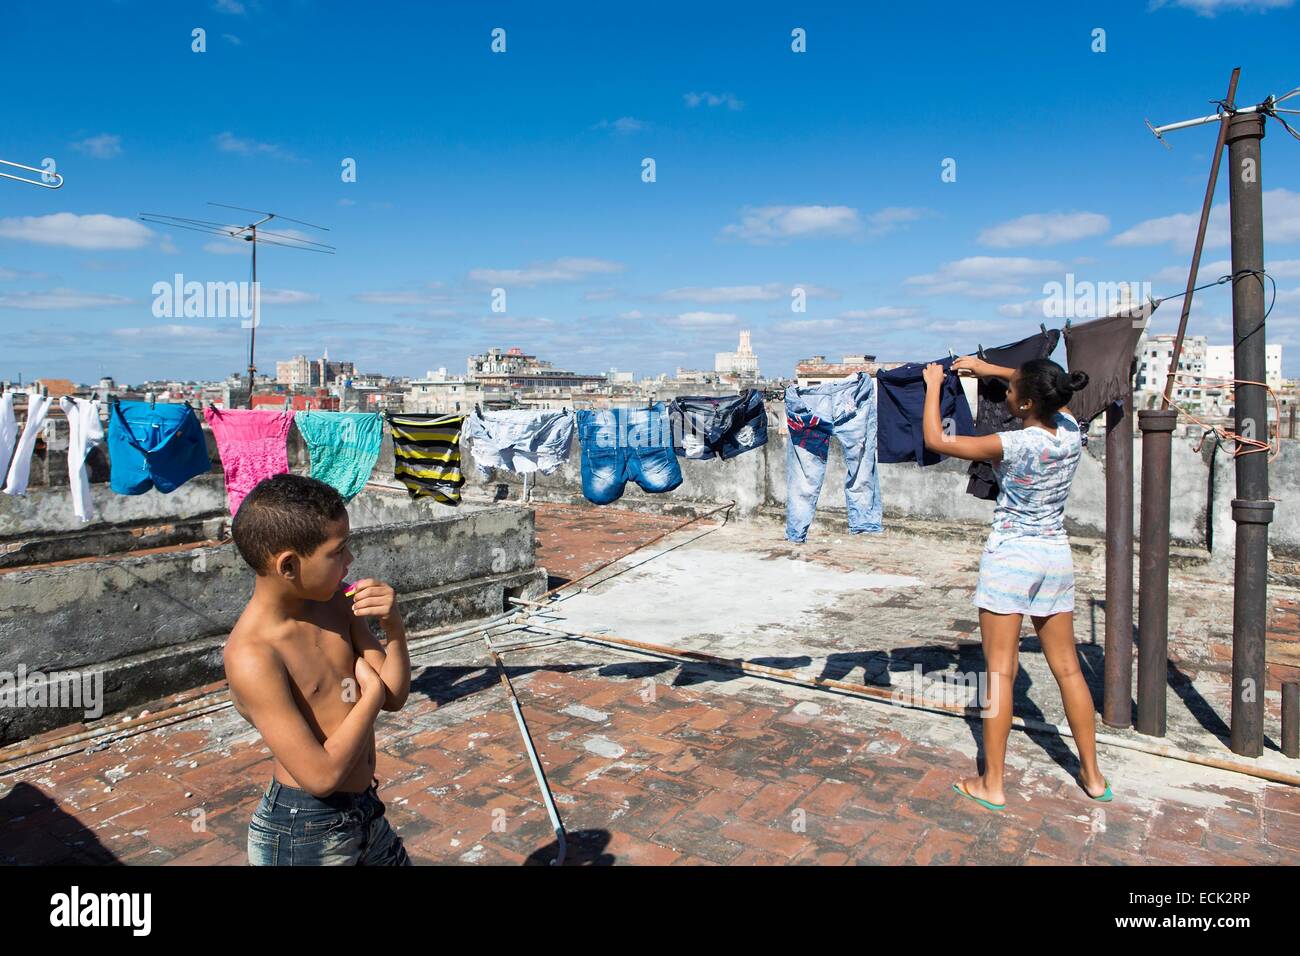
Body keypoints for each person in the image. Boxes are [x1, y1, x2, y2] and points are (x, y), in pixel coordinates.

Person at [920, 356, 1111, 811]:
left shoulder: (1011, 443)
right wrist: (988, 367)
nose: (1004, 396)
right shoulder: (1069, 430)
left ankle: (993, 783)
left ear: (1026, 402)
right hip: (1056, 558)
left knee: (1000, 672)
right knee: (1068, 669)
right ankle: (1093, 775)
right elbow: (1050, 389)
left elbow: (936, 439)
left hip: (1011, 559)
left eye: (1010, 393)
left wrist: (933, 384)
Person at [223, 473, 413, 864]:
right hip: (303, 830)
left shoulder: (334, 604)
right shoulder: (254, 655)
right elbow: (321, 776)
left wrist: (393, 627)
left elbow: (395, 695)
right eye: (338, 551)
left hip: (365, 811)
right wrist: (370, 696)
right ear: (289, 566)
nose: (350, 561)